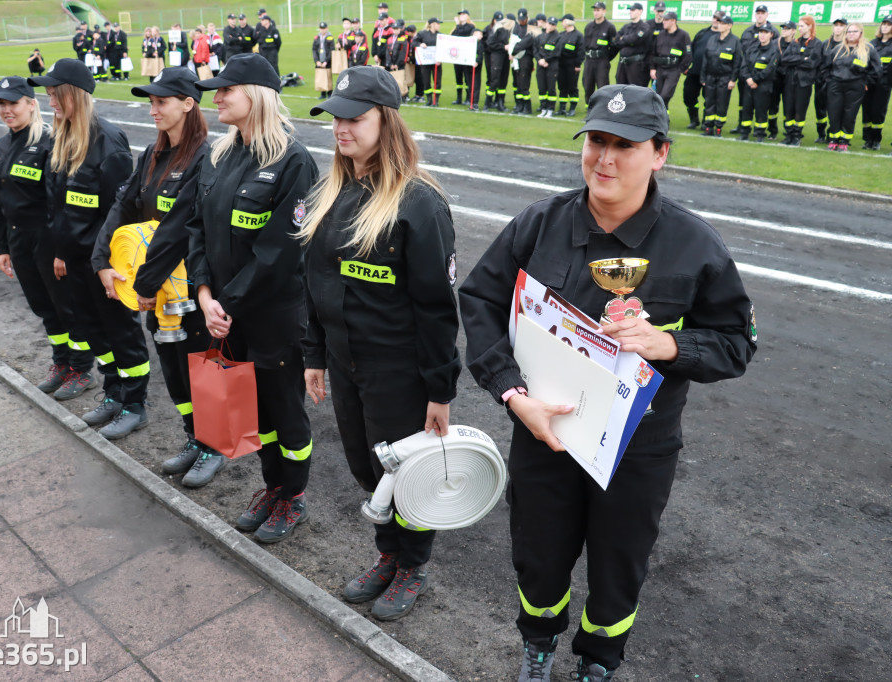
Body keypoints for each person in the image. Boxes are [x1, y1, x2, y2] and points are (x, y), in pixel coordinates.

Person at [458, 83, 757, 682]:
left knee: (620, 568)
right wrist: (514, 395)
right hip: (546, 434)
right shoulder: (539, 224)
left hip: (638, 449)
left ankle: (597, 660)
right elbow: (480, 299)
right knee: (538, 561)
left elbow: (736, 343)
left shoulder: (694, 245)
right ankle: (538, 644)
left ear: (661, 153)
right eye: (597, 140)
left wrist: (668, 344)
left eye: (626, 144)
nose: (606, 158)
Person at [302, 66, 460, 621]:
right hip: (345, 363)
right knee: (366, 469)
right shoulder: (333, 192)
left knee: (404, 477)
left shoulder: (419, 204)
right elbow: (315, 282)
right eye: (335, 118)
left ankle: (412, 566)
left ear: (385, 121)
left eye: (354, 117)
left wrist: (439, 392)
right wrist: (315, 357)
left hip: (399, 371)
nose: (341, 128)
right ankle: (389, 555)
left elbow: (438, 311)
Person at [180, 53, 319, 542]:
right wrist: (203, 292)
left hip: (271, 316)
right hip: (221, 311)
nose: (215, 98)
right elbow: (197, 228)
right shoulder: (219, 154)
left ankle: (293, 494)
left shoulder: (293, 161)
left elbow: (280, 249)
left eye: (225, 91)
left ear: (256, 97)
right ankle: (272, 485)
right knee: (250, 410)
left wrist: (227, 304)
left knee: (284, 408)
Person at [89, 67, 219, 485]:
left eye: (161, 101)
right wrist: (102, 261)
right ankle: (194, 437)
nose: (153, 109)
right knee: (175, 373)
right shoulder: (150, 155)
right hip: (156, 293)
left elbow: (182, 229)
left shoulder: (207, 158)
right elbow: (122, 207)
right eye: (150, 102)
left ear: (188, 103)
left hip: (188, 290)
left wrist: (144, 281)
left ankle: (213, 445)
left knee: (202, 372)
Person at [27, 60, 145, 438]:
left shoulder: (108, 142)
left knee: (122, 334)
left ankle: (135, 404)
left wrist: (107, 266)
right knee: (95, 333)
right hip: (75, 261)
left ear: (74, 94)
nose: (50, 101)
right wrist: (61, 252)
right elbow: (57, 206)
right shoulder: (62, 139)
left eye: (54, 94)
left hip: (104, 264)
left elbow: (122, 212)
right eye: (47, 94)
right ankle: (113, 392)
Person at [0, 75, 93, 399]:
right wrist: (2, 247)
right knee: (43, 307)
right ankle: (61, 362)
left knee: (66, 306)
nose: (7, 110)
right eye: (2, 104)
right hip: (19, 242)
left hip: (47, 240)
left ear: (31, 104)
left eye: (13, 103)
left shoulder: (50, 141)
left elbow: (60, 201)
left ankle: (82, 368)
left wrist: (62, 249)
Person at [823, 21, 880, 151]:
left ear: (860, 33)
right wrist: (829, 81)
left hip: (855, 86)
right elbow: (826, 67)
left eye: (854, 31)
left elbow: (877, 69)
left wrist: (866, 82)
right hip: (836, 85)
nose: (851, 34)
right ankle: (833, 139)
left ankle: (844, 141)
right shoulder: (837, 49)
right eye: (849, 31)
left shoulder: (868, 49)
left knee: (849, 114)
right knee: (834, 113)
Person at [733, 5, 779, 136]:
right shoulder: (750, 41)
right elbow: (744, 63)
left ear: (771, 34)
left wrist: (755, 79)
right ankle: (744, 131)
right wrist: (748, 79)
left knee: (761, 110)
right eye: (761, 33)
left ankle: (760, 133)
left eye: (765, 33)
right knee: (746, 108)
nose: (762, 35)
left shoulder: (774, 50)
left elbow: (770, 68)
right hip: (748, 82)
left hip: (763, 84)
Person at [780, 16, 823, 145]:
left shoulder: (817, 43)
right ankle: (788, 135)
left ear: (810, 26)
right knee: (788, 109)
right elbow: (785, 59)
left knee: (800, 110)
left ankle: (797, 136)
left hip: (804, 82)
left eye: (802, 26)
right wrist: (802, 59)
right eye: (799, 26)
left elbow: (812, 63)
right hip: (790, 81)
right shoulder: (795, 42)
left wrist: (797, 59)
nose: (800, 28)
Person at [701, 15, 742, 136]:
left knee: (722, 103)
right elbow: (705, 59)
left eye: (723, 23)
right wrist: (703, 77)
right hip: (710, 77)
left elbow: (737, 62)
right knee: (709, 102)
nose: (720, 25)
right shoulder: (712, 39)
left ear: (729, 26)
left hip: (725, 78)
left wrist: (733, 79)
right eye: (719, 23)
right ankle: (708, 128)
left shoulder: (735, 41)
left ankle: (718, 128)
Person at [683, 10, 722, 129]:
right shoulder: (702, 32)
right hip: (694, 72)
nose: (715, 20)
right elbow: (692, 49)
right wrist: (687, 65)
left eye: (718, 19)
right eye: (714, 17)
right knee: (688, 95)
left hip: (711, 73)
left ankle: (706, 122)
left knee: (709, 99)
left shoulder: (722, 36)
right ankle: (694, 120)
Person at [814, 17, 848, 142]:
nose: (838, 28)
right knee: (820, 109)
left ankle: (832, 134)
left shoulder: (846, 45)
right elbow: (818, 62)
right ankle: (821, 133)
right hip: (821, 82)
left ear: (845, 28)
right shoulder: (825, 44)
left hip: (837, 83)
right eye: (836, 25)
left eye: (841, 25)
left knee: (835, 110)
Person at [861, 15, 892, 150]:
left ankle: (876, 139)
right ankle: (867, 139)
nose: (885, 26)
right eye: (883, 24)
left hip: (884, 84)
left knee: (878, 111)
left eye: (888, 24)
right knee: (866, 110)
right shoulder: (873, 43)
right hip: (869, 82)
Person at [648, 12, 690, 108]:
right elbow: (653, 52)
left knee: (665, 95)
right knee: (658, 96)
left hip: (673, 70)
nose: (664, 22)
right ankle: (663, 119)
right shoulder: (660, 35)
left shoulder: (683, 35)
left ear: (673, 21)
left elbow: (688, 55)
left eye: (666, 20)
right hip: (660, 69)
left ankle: (661, 118)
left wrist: (680, 69)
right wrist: (652, 68)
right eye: (664, 20)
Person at [582, 2, 617, 105]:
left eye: (598, 10)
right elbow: (585, 44)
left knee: (603, 87)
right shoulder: (589, 26)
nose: (596, 12)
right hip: (589, 61)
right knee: (588, 86)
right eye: (595, 10)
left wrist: (606, 58)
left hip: (602, 61)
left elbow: (614, 47)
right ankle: (590, 110)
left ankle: (603, 111)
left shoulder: (609, 27)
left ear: (604, 11)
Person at [509, 8, 540, 114]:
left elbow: (523, 44)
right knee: (517, 84)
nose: (522, 21)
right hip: (516, 60)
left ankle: (527, 107)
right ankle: (519, 105)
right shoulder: (517, 28)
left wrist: (512, 52)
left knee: (524, 84)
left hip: (525, 59)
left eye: (523, 19)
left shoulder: (530, 29)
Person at [613, 2, 651, 87]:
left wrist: (624, 38)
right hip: (622, 64)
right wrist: (628, 40)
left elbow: (635, 39)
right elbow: (616, 41)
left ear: (640, 11)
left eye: (633, 10)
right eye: (630, 10)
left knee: (635, 91)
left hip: (635, 65)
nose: (631, 12)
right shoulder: (626, 26)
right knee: (620, 90)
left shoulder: (644, 27)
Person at [555, 15, 585, 116]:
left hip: (572, 64)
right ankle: (562, 108)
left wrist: (577, 64)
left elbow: (581, 52)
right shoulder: (561, 34)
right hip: (561, 64)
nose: (561, 23)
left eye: (562, 21)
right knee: (562, 86)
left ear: (568, 22)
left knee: (572, 86)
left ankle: (572, 108)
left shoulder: (578, 35)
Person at [536, 16, 562, 117]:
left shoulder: (558, 37)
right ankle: (543, 108)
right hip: (541, 65)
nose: (551, 26)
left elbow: (556, 52)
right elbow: (536, 49)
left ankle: (550, 109)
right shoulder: (540, 36)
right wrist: (539, 60)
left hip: (552, 65)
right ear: (546, 24)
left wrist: (546, 60)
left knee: (551, 87)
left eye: (553, 25)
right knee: (542, 88)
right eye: (549, 24)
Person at [484, 11, 510, 111]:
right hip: (496, 56)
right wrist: (503, 47)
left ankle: (500, 103)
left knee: (503, 81)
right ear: (494, 20)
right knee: (494, 80)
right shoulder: (493, 30)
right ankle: (487, 102)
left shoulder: (505, 29)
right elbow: (490, 43)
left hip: (505, 57)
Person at [451, 10, 478, 105]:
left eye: (463, 14)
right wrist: (457, 26)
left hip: (466, 56)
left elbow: (463, 33)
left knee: (467, 78)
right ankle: (459, 98)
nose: (461, 16)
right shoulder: (457, 27)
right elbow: (453, 36)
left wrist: (458, 25)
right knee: (458, 78)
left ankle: (468, 97)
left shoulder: (471, 27)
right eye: (460, 14)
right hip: (457, 56)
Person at [415, 18, 444, 106]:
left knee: (437, 81)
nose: (439, 25)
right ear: (432, 24)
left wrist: (440, 59)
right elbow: (414, 41)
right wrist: (420, 44)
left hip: (437, 63)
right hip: (425, 62)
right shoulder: (422, 33)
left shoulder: (440, 35)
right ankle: (429, 100)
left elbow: (445, 48)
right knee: (426, 81)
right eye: (438, 23)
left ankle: (436, 101)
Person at [313, 21, 335, 99]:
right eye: (321, 28)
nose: (322, 30)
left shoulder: (330, 37)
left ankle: (329, 93)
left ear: (327, 28)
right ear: (319, 29)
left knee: (328, 76)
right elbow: (314, 50)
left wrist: (326, 61)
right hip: (319, 60)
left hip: (327, 61)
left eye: (324, 28)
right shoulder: (317, 37)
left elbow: (331, 50)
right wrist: (317, 61)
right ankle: (322, 93)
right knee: (321, 76)